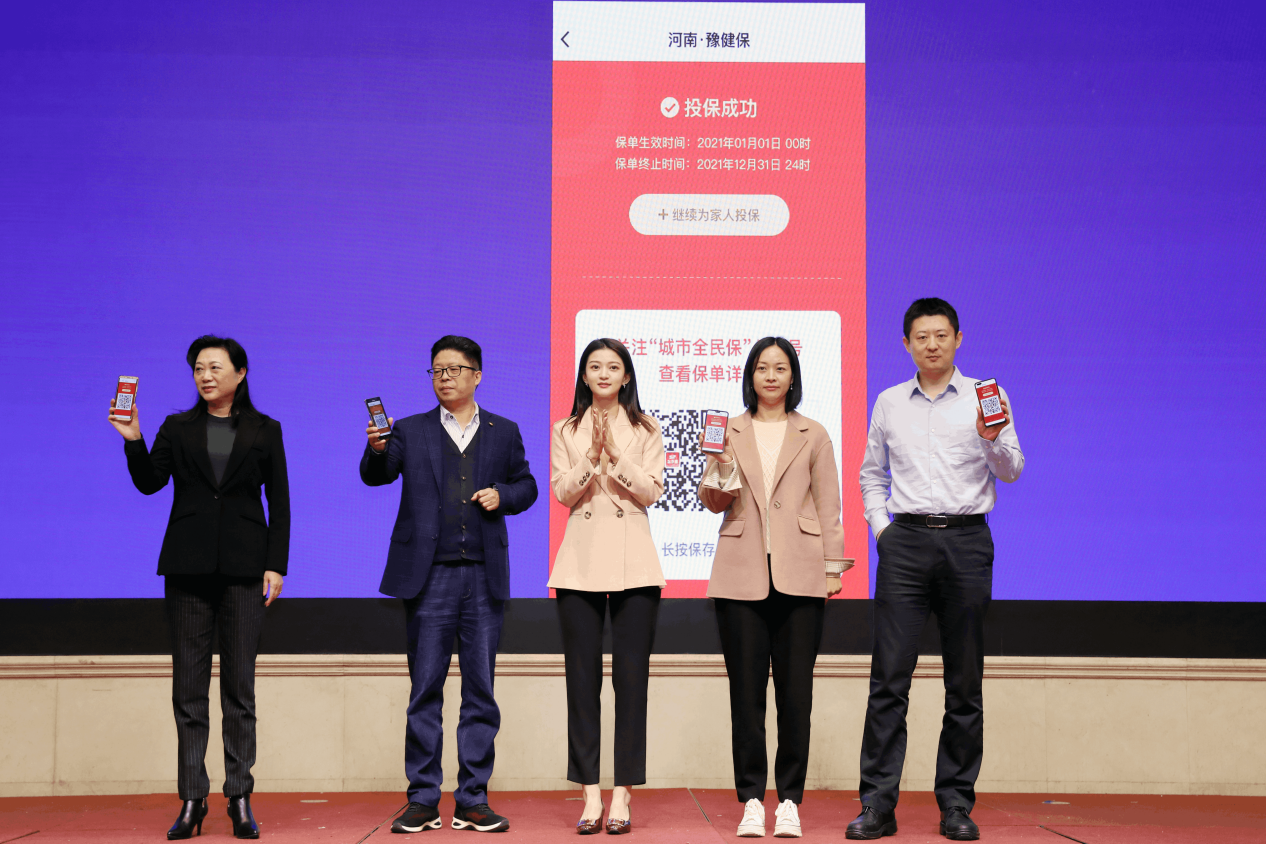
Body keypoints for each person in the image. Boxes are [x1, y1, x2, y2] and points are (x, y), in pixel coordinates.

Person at [846, 298, 1024, 842]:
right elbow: (871, 474)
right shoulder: (889, 402)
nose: (932, 344)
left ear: (958, 339)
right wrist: (883, 531)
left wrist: (990, 438)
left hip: (967, 542)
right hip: (905, 543)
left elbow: (1013, 470)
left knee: (964, 681)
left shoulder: (986, 397)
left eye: (941, 335)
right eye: (921, 337)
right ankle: (877, 805)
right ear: (906, 344)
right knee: (888, 679)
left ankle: (956, 804)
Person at [109, 335, 289, 841]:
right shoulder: (177, 427)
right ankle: (192, 798)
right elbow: (149, 482)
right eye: (197, 369)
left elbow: (280, 500)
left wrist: (276, 565)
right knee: (188, 689)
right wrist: (133, 438)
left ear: (240, 372)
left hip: (245, 569)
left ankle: (239, 797)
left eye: (214, 367)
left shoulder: (265, 429)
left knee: (239, 689)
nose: (205, 376)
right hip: (187, 569)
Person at [360, 335, 538, 834]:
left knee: (480, 692)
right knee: (425, 690)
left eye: (454, 369)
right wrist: (375, 449)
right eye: (437, 370)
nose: (444, 378)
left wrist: (502, 495)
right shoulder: (409, 429)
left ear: (476, 375)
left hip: (483, 576)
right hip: (429, 577)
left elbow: (527, 486)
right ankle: (422, 799)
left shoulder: (504, 431)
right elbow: (377, 476)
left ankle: (472, 799)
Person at [697, 336, 850, 840]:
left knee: (795, 696)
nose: (770, 376)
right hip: (740, 576)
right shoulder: (728, 430)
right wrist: (721, 466)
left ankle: (788, 801)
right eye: (762, 367)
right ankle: (750, 800)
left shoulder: (814, 433)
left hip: (801, 576)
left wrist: (832, 569)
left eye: (780, 368)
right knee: (746, 698)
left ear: (792, 377)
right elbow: (712, 502)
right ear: (750, 375)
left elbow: (828, 506)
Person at [548, 339, 666, 835]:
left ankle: (623, 793)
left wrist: (614, 456)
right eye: (594, 366)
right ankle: (590, 794)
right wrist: (589, 458)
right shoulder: (565, 428)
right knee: (582, 681)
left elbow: (653, 491)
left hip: (634, 562)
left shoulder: (647, 427)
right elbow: (562, 492)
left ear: (626, 376)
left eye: (613, 367)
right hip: (579, 563)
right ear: (583, 375)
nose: (603, 373)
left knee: (631, 681)